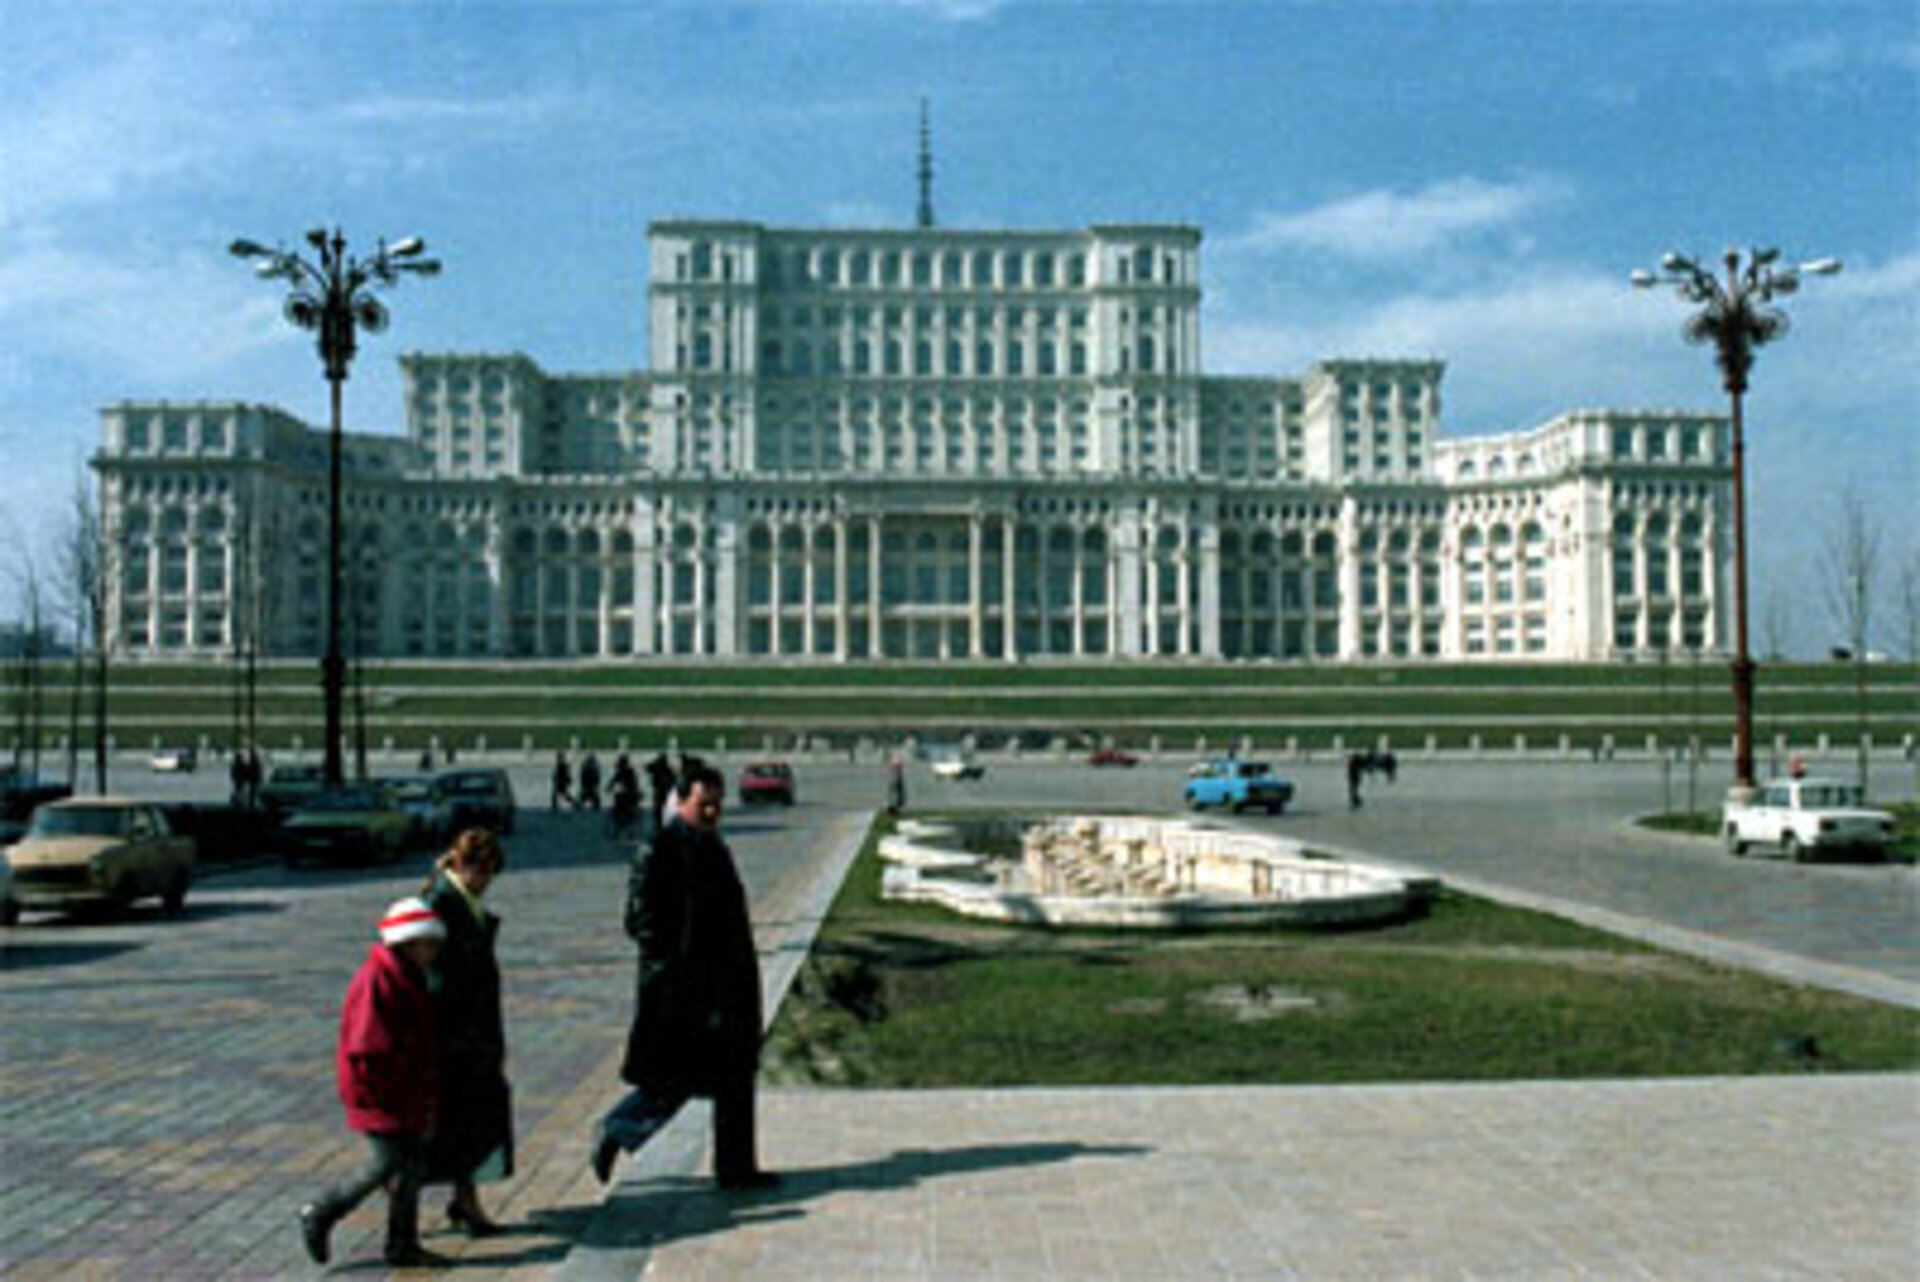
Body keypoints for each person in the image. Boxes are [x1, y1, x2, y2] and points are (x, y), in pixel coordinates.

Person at [592, 764, 776, 1191]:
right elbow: (640, 920)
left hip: (727, 981)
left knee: (733, 1075)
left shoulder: (712, 844)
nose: (712, 811)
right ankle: (618, 1127)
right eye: (703, 804)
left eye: (717, 804)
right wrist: (678, 965)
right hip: (683, 986)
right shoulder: (662, 845)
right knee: (674, 1077)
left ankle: (736, 1169)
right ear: (681, 800)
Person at [299, 898, 447, 1269]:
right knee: (386, 1163)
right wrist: (395, 1085)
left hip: (407, 1091)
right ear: (408, 942)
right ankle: (322, 1210)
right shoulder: (378, 978)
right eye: (427, 944)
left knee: (410, 1168)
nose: (432, 952)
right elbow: (368, 1049)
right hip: (382, 1094)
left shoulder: (407, 973)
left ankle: (403, 1244)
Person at [421, 829, 515, 1238]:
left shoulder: (462, 898)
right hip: (453, 1036)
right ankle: (344, 1205)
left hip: (471, 1034)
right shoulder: (441, 900)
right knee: (443, 1127)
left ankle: (466, 1202)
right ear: (463, 864)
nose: (487, 881)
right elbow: (433, 975)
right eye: (483, 871)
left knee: (468, 1123)